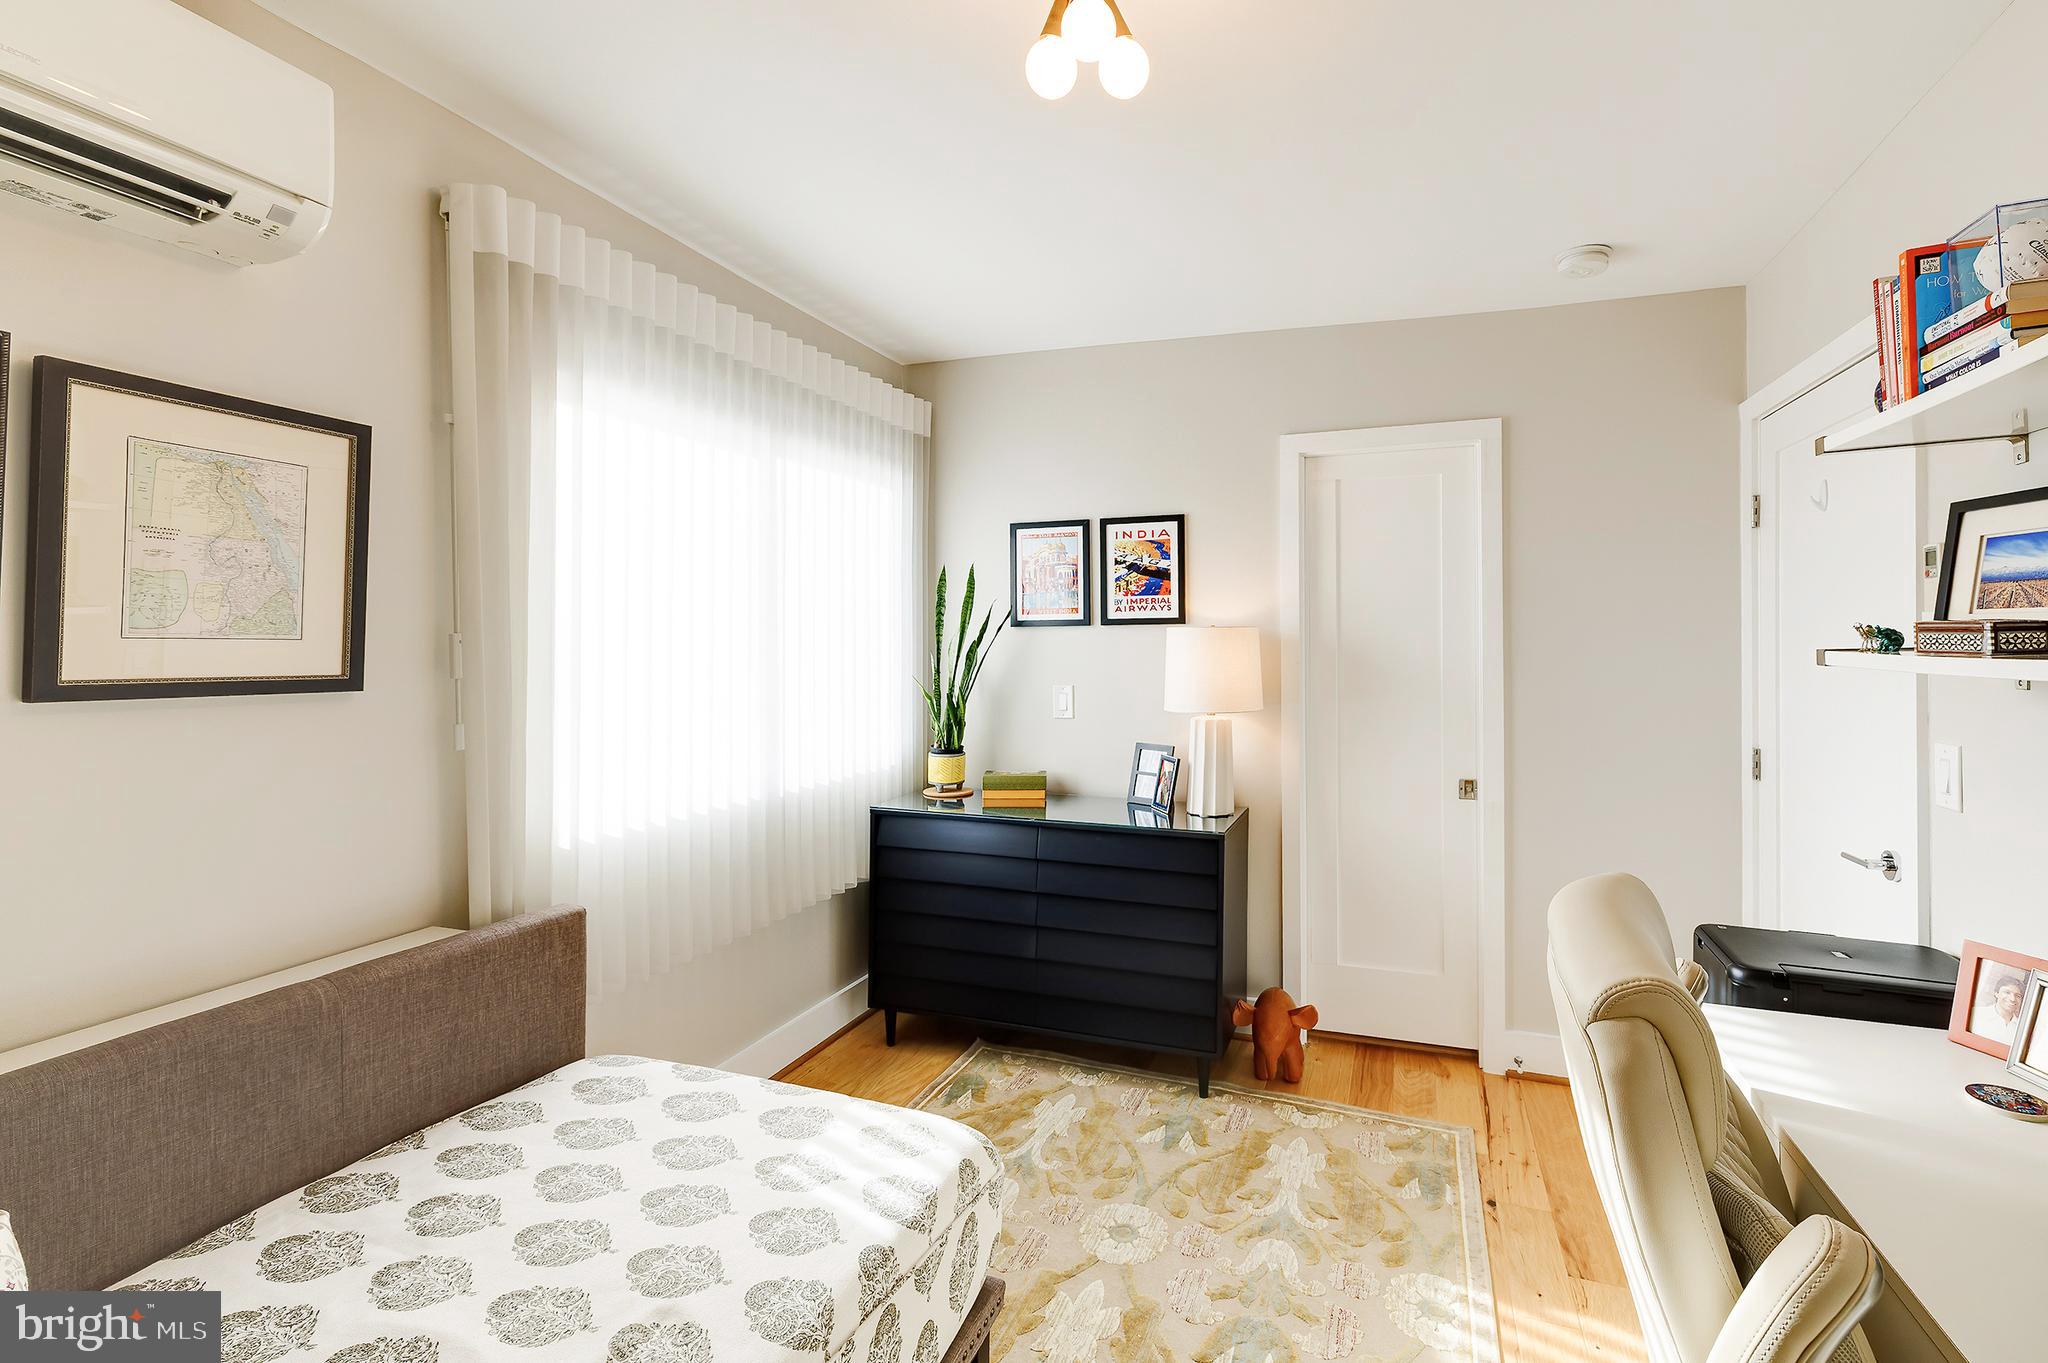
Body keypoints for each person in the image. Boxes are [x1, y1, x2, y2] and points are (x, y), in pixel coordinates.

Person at [1971, 969, 2026, 1044]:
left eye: (2018, 996)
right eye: (2007, 992)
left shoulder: (2022, 1029)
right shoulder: (1976, 1014)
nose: (2013, 999)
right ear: (1996, 993)